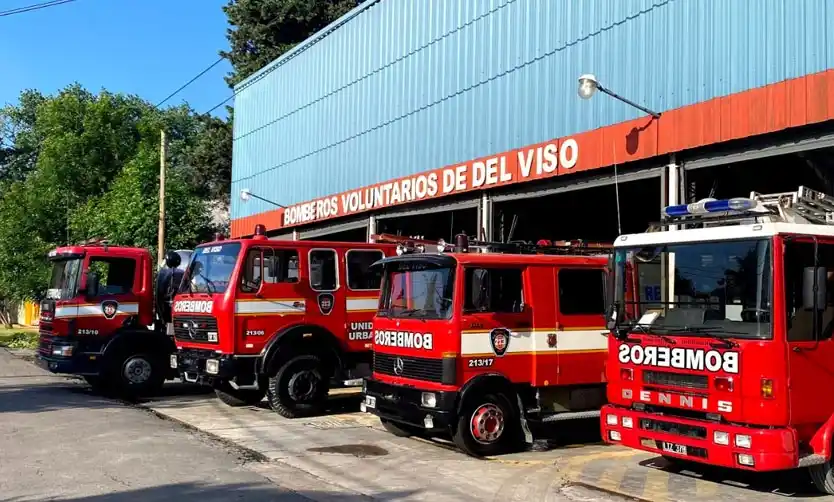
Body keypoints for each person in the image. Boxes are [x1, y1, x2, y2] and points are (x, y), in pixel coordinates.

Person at [156, 251, 185, 326]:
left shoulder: (162, 273)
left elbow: (158, 292)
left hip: (164, 305)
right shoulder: (182, 273)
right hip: (178, 305)